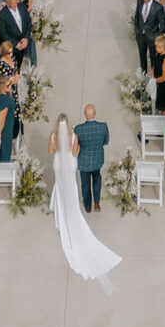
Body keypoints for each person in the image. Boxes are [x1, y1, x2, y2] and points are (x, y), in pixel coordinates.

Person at [50, 114, 122, 284]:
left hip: (59, 164)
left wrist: (59, 146)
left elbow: (50, 150)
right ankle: (80, 205)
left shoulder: (54, 136)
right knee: (72, 186)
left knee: (60, 185)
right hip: (70, 163)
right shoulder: (74, 135)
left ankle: (61, 208)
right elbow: (75, 152)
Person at [75, 103, 110, 212]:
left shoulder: (78, 129)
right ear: (95, 113)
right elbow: (106, 141)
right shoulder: (103, 127)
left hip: (84, 161)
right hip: (97, 159)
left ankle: (87, 206)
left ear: (84, 114)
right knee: (97, 181)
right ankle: (97, 203)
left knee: (85, 185)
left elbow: (76, 144)